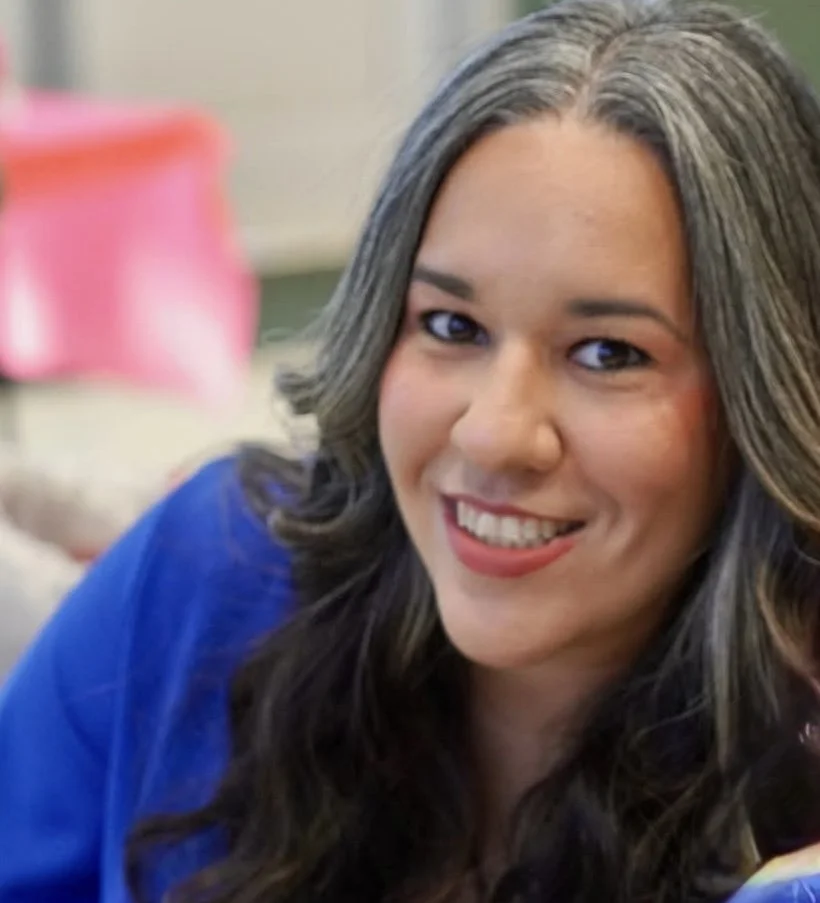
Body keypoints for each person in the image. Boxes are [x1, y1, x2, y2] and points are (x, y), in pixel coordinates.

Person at [3, 0, 820, 899]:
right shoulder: (210, 574)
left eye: (608, 353)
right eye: (450, 324)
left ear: (767, 400)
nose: (493, 432)